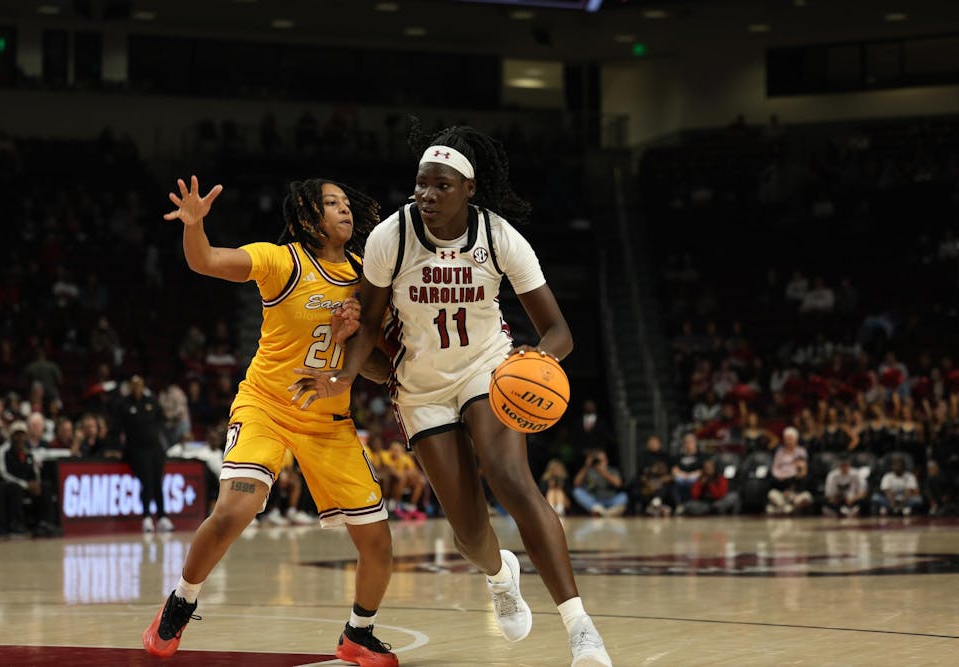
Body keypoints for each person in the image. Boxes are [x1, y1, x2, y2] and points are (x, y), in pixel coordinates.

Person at [291, 122, 612, 667]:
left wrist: (534, 363)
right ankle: (499, 574)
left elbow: (559, 331)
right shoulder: (391, 237)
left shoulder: (500, 237)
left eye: (441, 185)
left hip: (487, 372)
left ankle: (581, 628)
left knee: (511, 477)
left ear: (468, 190)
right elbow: (368, 323)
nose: (427, 194)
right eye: (421, 183)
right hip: (420, 387)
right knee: (468, 532)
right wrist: (344, 376)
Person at [142, 175, 399, 667]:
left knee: (378, 543)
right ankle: (181, 599)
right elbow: (205, 260)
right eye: (331, 203)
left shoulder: (366, 276)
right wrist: (194, 226)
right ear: (307, 217)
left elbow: (374, 367)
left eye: (347, 203)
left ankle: (358, 634)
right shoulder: (282, 260)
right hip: (267, 406)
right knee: (236, 510)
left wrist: (351, 337)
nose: (345, 210)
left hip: (328, 420)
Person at [117, 375, 172, 534]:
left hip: (155, 448)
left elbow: (161, 419)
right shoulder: (125, 404)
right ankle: (147, 517)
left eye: (140, 385)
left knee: (158, 481)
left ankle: (162, 517)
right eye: (134, 385)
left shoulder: (151, 401)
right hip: (137, 449)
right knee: (146, 481)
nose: (138, 388)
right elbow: (119, 426)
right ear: (130, 387)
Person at [766, 427, 813, 515]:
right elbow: (775, 470)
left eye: (791, 439)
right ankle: (785, 508)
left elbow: (802, 473)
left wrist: (798, 473)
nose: (788, 442)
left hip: (796, 489)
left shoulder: (801, 452)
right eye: (786, 439)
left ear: (796, 440)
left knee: (806, 497)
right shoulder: (779, 452)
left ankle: (783, 509)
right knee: (772, 494)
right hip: (781, 487)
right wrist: (782, 477)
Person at [572, 448, 627, 517]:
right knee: (577, 492)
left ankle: (605, 512)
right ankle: (600, 510)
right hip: (594, 500)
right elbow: (576, 483)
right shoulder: (589, 471)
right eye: (597, 460)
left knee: (623, 496)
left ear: (606, 460)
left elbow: (618, 484)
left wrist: (604, 472)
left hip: (610, 499)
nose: (599, 462)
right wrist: (586, 466)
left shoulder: (612, 470)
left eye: (601, 460)